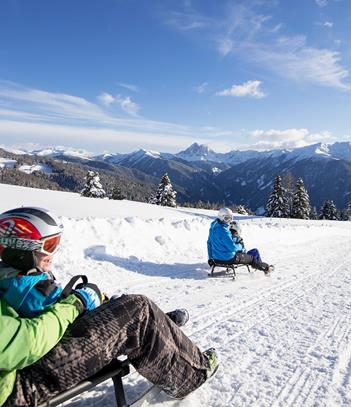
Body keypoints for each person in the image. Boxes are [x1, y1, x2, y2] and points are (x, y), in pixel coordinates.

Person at [0, 207, 218, 406]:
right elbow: (28, 341)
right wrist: (75, 304)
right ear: (21, 249)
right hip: (17, 387)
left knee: (125, 311)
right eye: (49, 246)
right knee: (137, 309)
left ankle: (152, 326)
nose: (53, 253)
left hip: (17, 373)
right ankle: (192, 374)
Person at [207, 207, 274, 275]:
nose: (229, 221)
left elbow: (209, 243)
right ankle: (266, 268)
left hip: (216, 259)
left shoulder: (213, 228)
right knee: (251, 258)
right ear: (221, 217)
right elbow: (233, 248)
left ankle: (261, 266)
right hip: (229, 259)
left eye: (230, 218)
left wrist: (210, 258)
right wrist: (240, 246)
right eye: (226, 218)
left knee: (250, 255)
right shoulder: (224, 231)